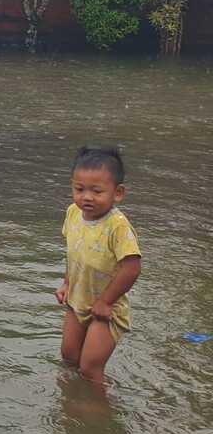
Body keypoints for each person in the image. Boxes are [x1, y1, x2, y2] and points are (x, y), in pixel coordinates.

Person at [55, 146, 142, 385]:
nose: (87, 197)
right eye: (79, 189)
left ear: (118, 193)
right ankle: (71, 405)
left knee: (90, 368)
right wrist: (66, 283)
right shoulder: (73, 212)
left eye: (97, 191)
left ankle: (99, 413)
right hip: (77, 300)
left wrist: (105, 302)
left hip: (106, 311)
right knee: (69, 357)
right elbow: (74, 252)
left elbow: (132, 267)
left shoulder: (118, 226)